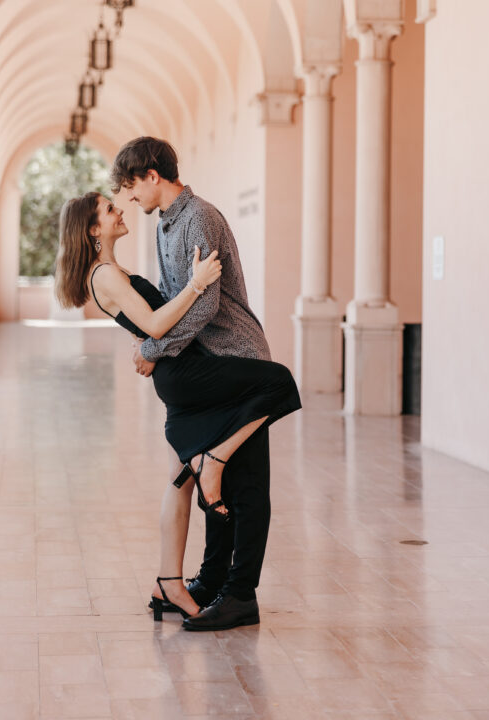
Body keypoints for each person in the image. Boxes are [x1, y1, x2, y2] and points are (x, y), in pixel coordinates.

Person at [55, 149, 301, 629]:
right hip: (193, 367)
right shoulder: (117, 265)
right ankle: (232, 589)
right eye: (112, 205)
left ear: (151, 176)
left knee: (199, 482)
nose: (124, 203)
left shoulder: (193, 220)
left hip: (212, 358)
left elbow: (189, 310)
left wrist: (153, 345)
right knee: (271, 402)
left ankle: (197, 582)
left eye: (128, 191)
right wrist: (157, 338)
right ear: (92, 230)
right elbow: (169, 313)